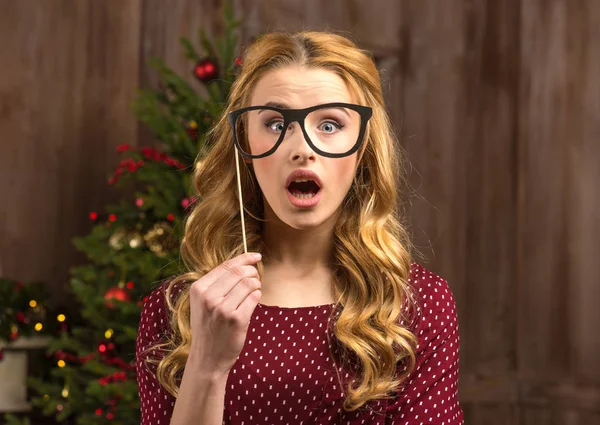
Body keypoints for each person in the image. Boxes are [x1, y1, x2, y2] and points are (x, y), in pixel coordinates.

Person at [136, 30, 464, 425]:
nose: (301, 148)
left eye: (329, 125)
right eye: (275, 124)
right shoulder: (181, 310)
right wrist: (206, 363)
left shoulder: (416, 304)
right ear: (245, 145)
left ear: (362, 148)